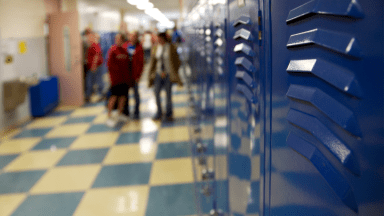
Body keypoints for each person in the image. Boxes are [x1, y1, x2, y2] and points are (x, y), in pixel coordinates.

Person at [148, 32, 183, 121]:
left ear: (163, 38)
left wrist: (173, 71)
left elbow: (177, 61)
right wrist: (151, 74)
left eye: (159, 38)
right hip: (158, 74)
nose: (158, 40)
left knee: (168, 94)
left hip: (168, 75)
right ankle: (159, 112)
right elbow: (153, 62)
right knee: (156, 93)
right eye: (157, 39)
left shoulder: (171, 47)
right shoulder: (156, 48)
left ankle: (169, 114)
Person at [106, 33, 131, 127]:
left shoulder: (124, 51)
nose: (117, 40)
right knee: (113, 97)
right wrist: (111, 78)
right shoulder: (112, 50)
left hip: (124, 79)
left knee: (123, 97)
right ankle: (109, 115)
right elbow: (109, 66)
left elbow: (127, 65)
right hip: (115, 80)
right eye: (116, 39)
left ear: (122, 40)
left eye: (119, 39)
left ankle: (120, 114)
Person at [123, 31, 144, 119]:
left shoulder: (139, 48)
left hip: (135, 75)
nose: (132, 38)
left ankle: (136, 112)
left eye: (134, 36)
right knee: (125, 95)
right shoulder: (125, 46)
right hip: (126, 75)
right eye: (131, 36)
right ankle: (126, 111)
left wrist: (139, 76)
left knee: (136, 94)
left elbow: (141, 63)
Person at [85, 32, 104, 103]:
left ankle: (99, 94)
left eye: (89, 38)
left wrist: (93, 65)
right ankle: (90, 94)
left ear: (92, 38)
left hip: (95, 66)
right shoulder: (92, 45)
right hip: (93, 66)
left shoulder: (94, 45)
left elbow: (96, 56)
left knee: (97, 81)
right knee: (92, 80)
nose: (88, 39)